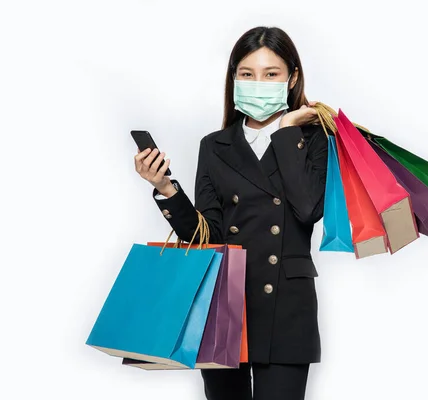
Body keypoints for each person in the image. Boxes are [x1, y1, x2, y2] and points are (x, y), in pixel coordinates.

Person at [134, 26, 328, 400]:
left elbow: (309, 210)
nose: (259, 83)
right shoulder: (215, 146)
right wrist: (165, 189)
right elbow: (206, 237)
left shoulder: (315, 138)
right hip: (224, 306)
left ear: (292, 78)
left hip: (287, 307)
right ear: (234, 78)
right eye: (247, 74)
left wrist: (287, 129)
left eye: (271, 74)